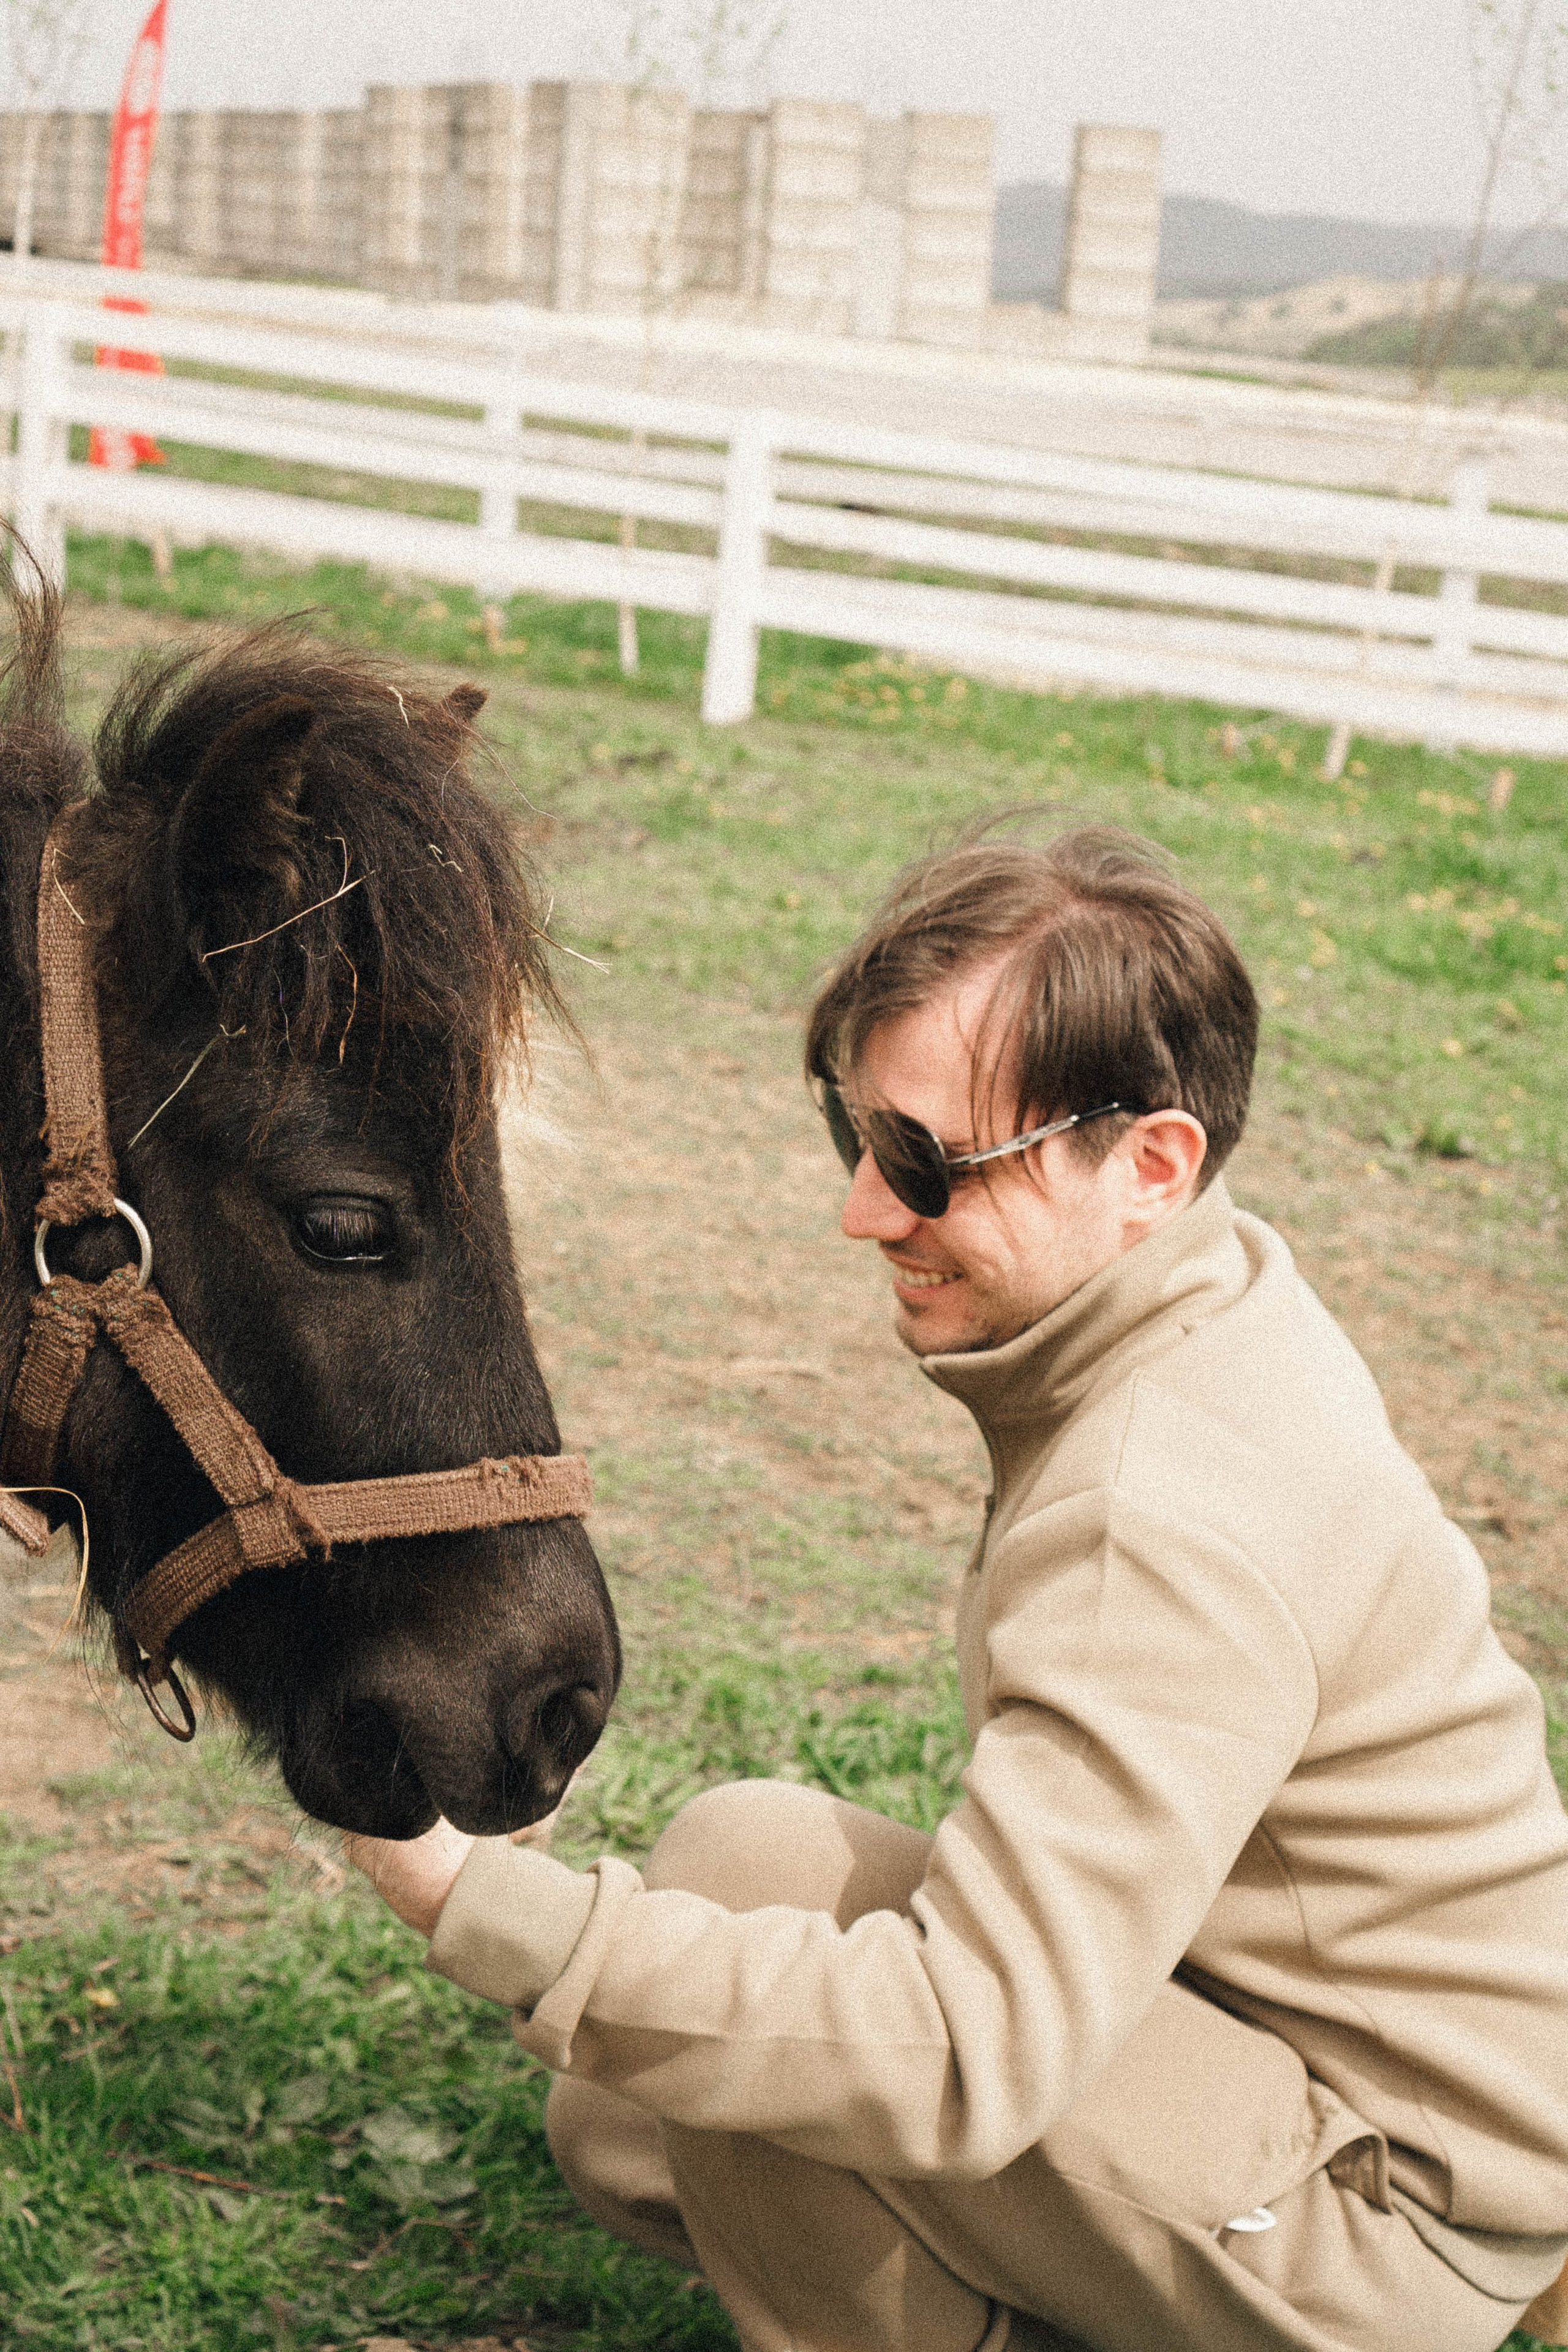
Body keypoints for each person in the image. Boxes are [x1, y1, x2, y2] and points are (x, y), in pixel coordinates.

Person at [346, 825, 1568, 2352]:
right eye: (851, 1134)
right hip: (1341, 2092)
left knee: (774, 2039)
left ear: (1150, 1166)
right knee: (658, 2057)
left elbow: (958, 2055)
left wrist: (469, 1898)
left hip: (1390, 2212)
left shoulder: (1161, 1513)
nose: (863, 1208)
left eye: (925, 1159)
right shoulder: (1204, 1302)